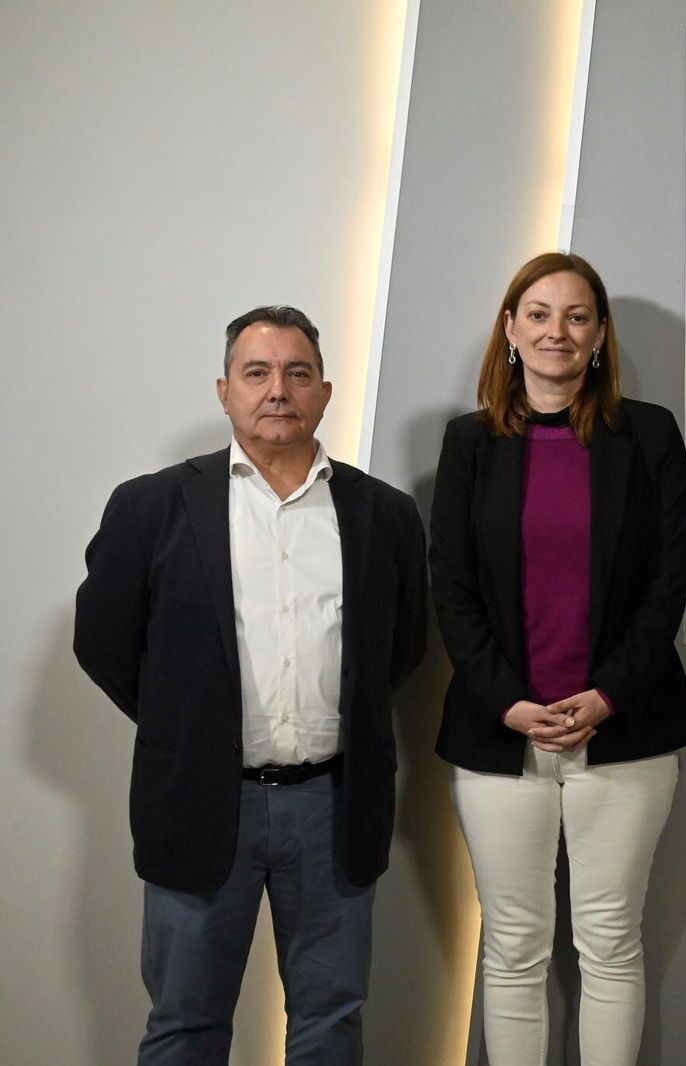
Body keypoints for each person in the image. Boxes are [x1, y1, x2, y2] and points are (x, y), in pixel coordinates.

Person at [74, 305, 429, 1065]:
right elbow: (103, 642)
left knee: (331, 1023)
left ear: (325, 393)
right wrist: (188, 724)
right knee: (186, 1025)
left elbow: (400, 650)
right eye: (257, 373)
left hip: (333, 808)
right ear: (224, 390)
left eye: (297, 373)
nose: (278, 390)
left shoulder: (385, 516)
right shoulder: (151, 506)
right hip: (203, 803)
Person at [430, 252, 686, 1064]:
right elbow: (452, 589)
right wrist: (507, 700)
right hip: (499, 736)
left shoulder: (647, 434)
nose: (558, 331)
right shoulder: (469, 444)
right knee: (512, 950)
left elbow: (669, 581)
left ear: (600, 335)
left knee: (611, 941)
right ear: (510, 330)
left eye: (577, 316)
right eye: (540, 314)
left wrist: (610, 692)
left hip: (625, 733)